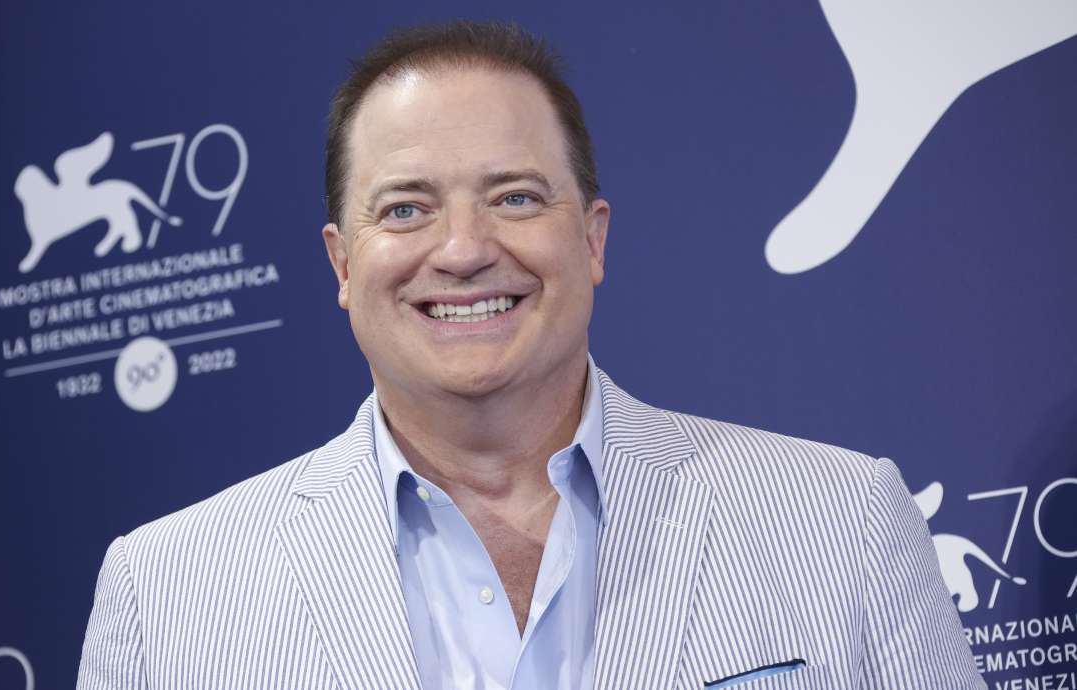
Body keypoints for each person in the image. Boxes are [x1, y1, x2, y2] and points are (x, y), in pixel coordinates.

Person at [77, 21, 984, 690]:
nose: (464, 248)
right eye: (405, 209)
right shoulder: (165, 595)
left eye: (513, 197)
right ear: (343, 264)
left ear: (592, 240)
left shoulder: (845, 525)